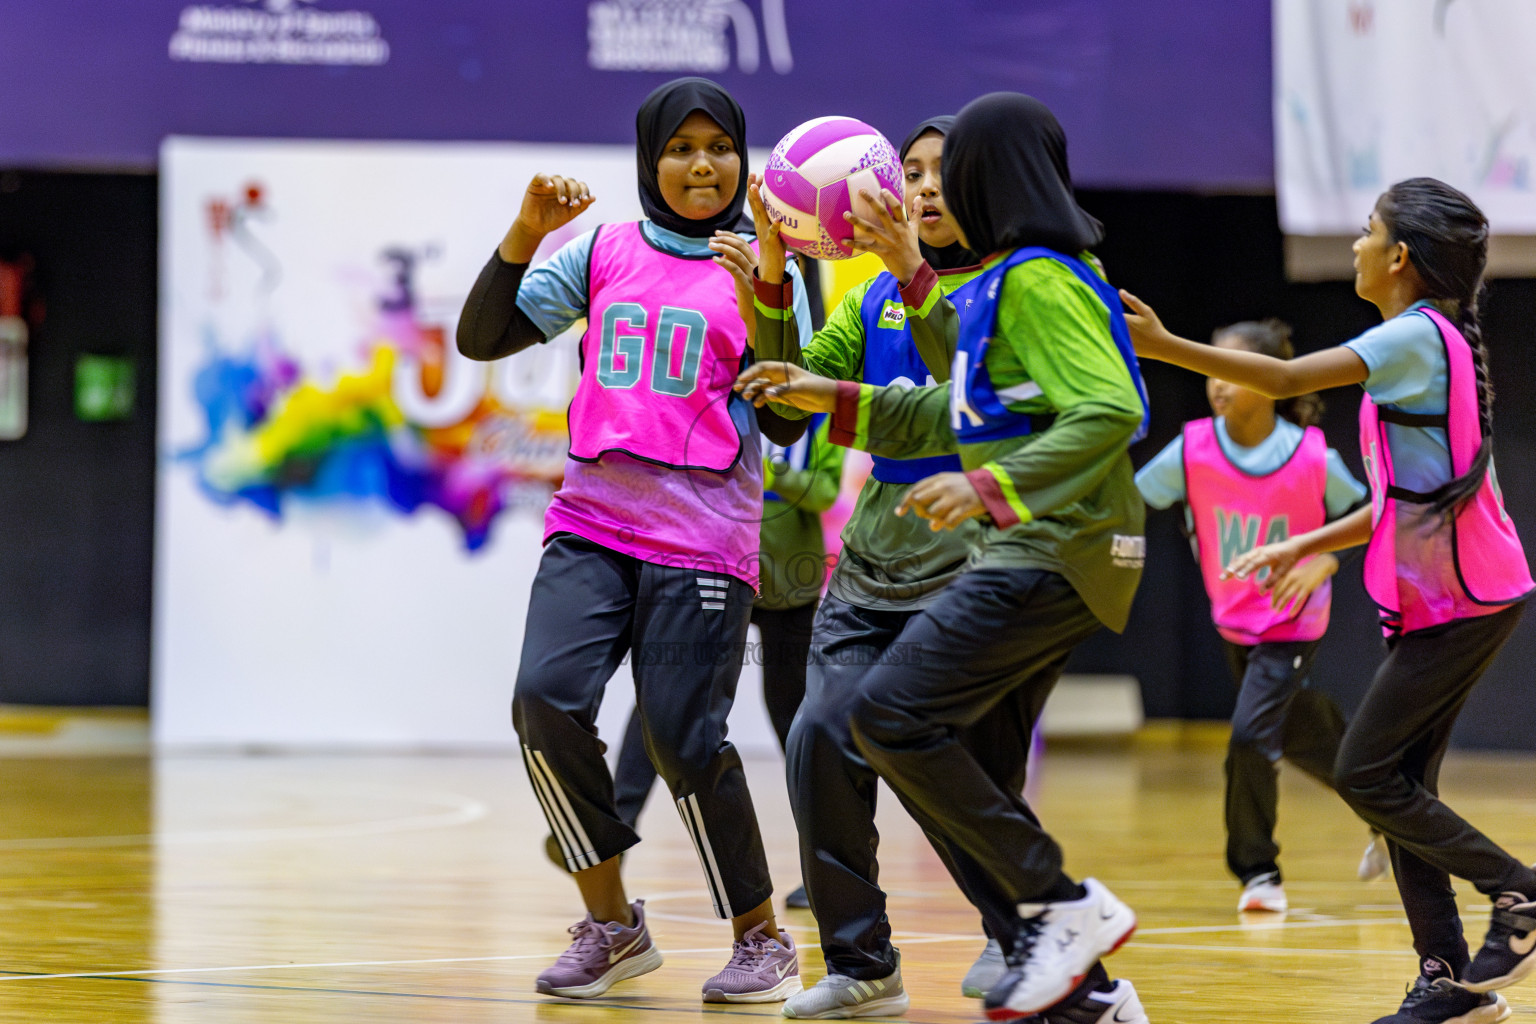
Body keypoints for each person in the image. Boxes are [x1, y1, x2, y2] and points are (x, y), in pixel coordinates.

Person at [737, 92, 1150, 1024]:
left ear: (988, 183)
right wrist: (775, 280)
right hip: (882, 553)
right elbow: (803, 406)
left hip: (991, 552)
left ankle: (1049, 944)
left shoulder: (1026, 281)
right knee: (826, 735)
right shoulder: (885, 291)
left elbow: (1016, 404)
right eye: (911, 171)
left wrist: (985, 482)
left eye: (943, 171)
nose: (922, 187)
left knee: (936, 756)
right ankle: (870, 961)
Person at [1123, 177, 1536, 1024]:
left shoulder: (1414, 337)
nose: (1352, 245)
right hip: (1457, 598)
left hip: (1463, 601)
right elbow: (1402, 502)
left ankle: (1520, 894)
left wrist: (1167, 346)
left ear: (1400, 259)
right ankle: (1447, 980)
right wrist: (1306, 543)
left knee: (1364, 772)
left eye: (1365, 230)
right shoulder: (1433, 343)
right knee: (1401, 785)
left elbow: (1281, 375)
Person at [456, 76, 814, 1004]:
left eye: (719, 147)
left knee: (684, 740)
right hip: (592, 523)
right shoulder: (606, 250)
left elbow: (785, 427)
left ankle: (761, 936)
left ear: (743, 157)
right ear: (652, 160)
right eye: (681, 148)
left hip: (703, 542)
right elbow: (483, 337)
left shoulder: (770, 265)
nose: (702, 164)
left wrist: (768, 288)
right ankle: (611, 923)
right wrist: (526, 234)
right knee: (543, 702)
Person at [1134, 318, 1384, 914]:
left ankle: (1258, 872)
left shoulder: (1309, 454)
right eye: (1211, 368)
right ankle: (1388, 803)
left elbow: (1375, 514)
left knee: (1250, 736)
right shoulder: (1193, 447)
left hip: (1294, 621)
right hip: (1233, 621)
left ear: (1270, 380)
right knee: (1299, 730)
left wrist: (1323, 560)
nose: (1217, 382)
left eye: (1232, 369)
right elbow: (1127, 499)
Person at [607, 412, 845, 912]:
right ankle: (612, 838)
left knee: (796, 720)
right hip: (718, 567)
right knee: (661, 704)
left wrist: (758, 462)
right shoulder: (717, 406)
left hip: (788, 588)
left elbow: (823, 492)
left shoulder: (820, 415)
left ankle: (828, 867)